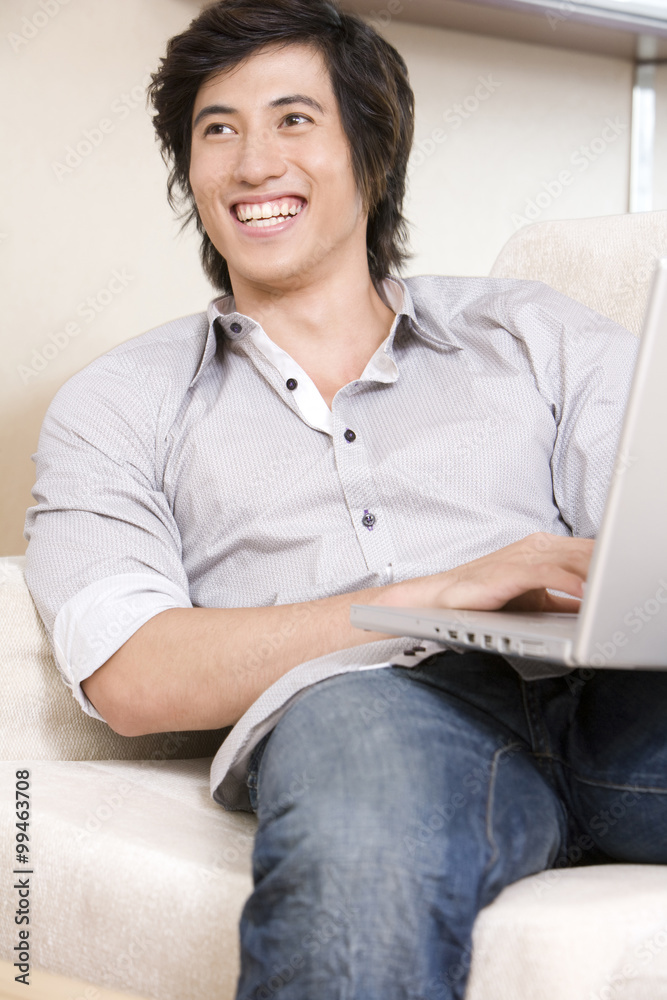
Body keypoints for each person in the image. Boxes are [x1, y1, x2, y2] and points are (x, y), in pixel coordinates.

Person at [23, 1, 667, 998]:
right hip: (370, 710)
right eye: (217, 129)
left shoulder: (534, 334)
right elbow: (129, 673)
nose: (249, 163)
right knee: (362, 821)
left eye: (292, 118)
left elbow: (648, 526)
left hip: (612, 700)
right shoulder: (119, 403)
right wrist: (431, 595)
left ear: (372, 153)